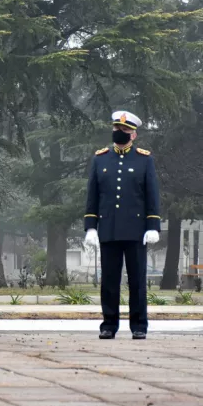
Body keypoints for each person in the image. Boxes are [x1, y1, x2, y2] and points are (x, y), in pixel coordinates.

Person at [84, 111, 160, 340]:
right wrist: (90, 226)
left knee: (137, 281)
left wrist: (153, 225)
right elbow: (93, 196)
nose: (119, 133)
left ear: (134, 135)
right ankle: (108, 324)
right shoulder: (101, 158)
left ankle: (139, 326)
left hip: (136, 230)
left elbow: (151, 195)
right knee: (109, 281)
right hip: (108, 229)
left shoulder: (145, 160)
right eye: (117, 129)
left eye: (125, 130)